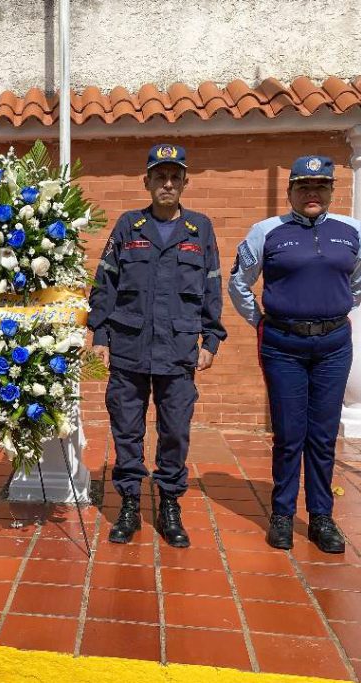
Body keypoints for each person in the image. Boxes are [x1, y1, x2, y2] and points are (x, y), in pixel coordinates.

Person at [229, 155, 361, 554]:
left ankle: (322, 517)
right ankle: (281, 514)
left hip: (333, 346)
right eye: (304, 186)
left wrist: (334, 307)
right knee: (290, 435)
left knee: (324, 436)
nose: (313, 193)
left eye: (321, 186)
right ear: (291, 190)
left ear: (331, 190)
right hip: (283, 346)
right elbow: (238, 281)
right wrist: (259, 319)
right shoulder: (266, 232)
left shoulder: (353, 231)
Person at [89, 143, 226, 547]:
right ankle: (130, 503)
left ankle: (169, 504)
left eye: (174, 177)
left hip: (179, 349)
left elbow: (211, 289)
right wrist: (99, 335)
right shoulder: (128, 226)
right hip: (129, 346)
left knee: (175, 433)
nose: (167, 183)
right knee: (126, 430)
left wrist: (211, 339)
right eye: (159, 177)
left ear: (185, 182)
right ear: (146, 181)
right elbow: (105, 283)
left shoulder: (199, 230)